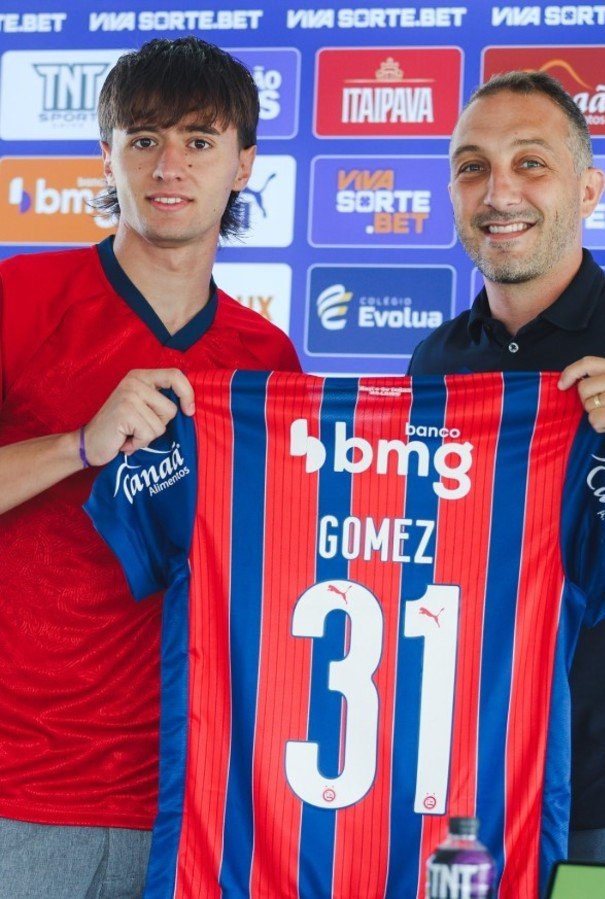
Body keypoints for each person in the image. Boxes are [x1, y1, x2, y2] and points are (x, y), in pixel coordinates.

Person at [0, 37, 300, 898]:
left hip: (192, 793)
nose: (169, 166)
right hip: (24, 787)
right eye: (143, 138)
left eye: (199, 141)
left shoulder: (268, 355)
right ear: (107, 155)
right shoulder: (22, 300)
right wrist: (77, 446)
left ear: (244, 163)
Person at [408, 70, 605, 869]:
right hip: (470, 795)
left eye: (531, 163)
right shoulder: (435, 361)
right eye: (472, 165)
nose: (498, 191)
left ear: (587, 189)